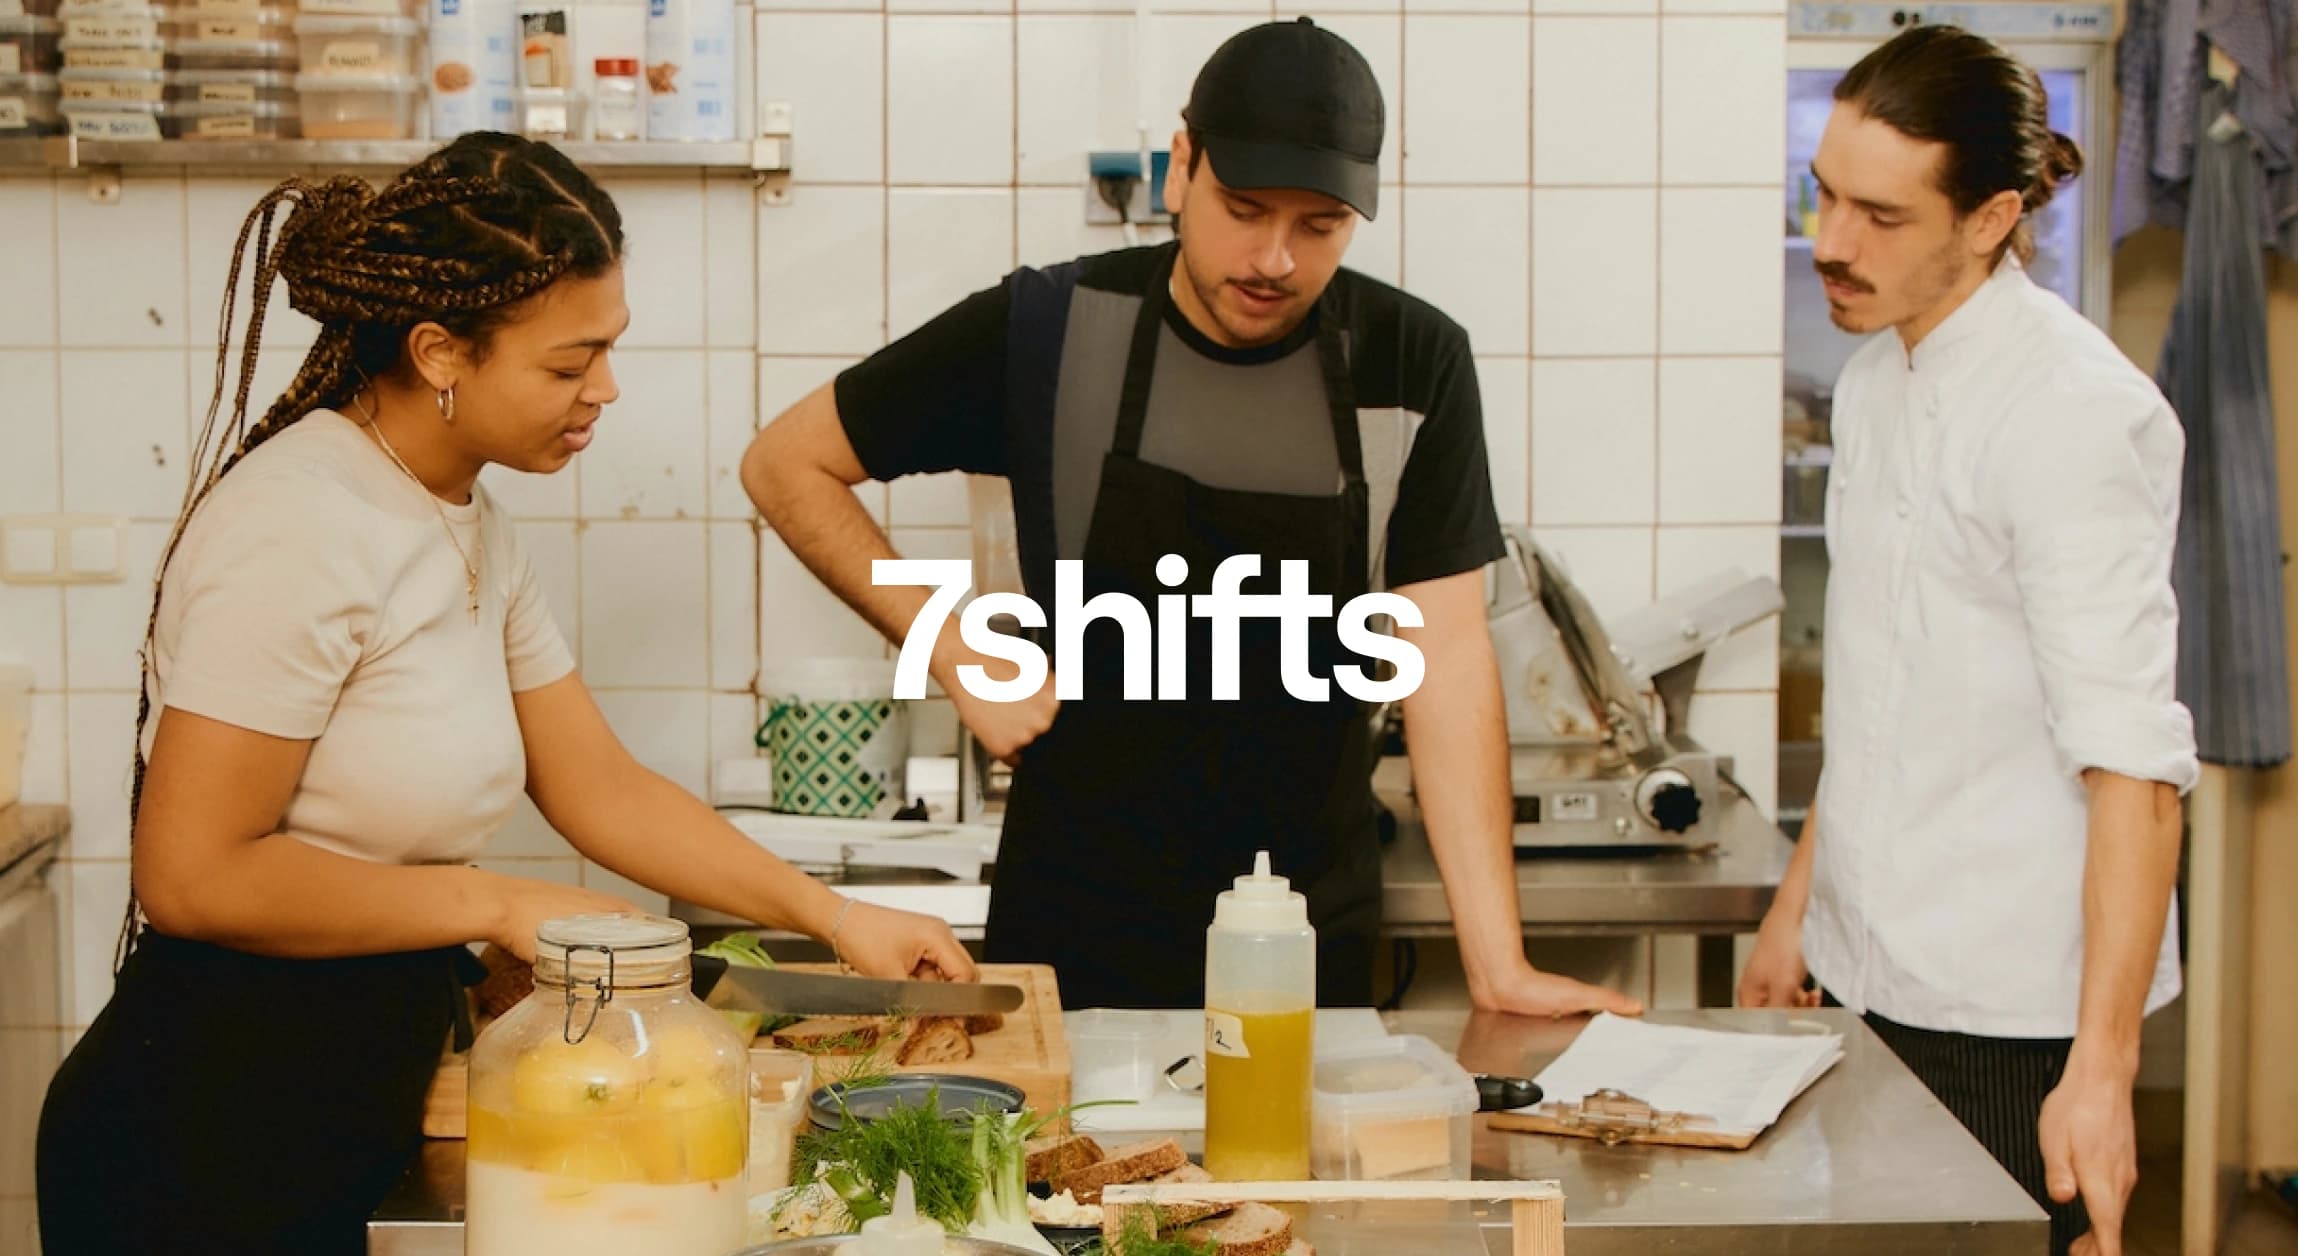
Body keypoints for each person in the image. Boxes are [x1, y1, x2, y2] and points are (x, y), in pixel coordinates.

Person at [36, 132, 974, 1256]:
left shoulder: (466, 517)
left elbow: (600, 784)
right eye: (570, 363)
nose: (605, 390)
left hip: (344, 1093)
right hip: (202, 1129)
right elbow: (191, 871)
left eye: (609, 353)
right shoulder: (299, 519)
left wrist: (835, 915)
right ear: (440, 351)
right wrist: (491, 901)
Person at [741, 17, 1641, 1018]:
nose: (1274, 258)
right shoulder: (1050, 332)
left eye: (1319, 226)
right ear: (1182, 168)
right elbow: (787, 463)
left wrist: (1498, 966)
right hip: (1078, 928)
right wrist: (955, 649)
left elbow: (1450, 657)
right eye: (1244, 207)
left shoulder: (1411, 363)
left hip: (1305, 934)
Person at [1737, 27, 2196, 1256]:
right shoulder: (1881, 376)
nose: (1832, 241)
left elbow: (2138, 775)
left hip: (2013, 1012)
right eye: (1824, 194)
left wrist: (2102, 1070)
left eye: (1879, 215)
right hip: (1867, 970)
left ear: (1992, 218)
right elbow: (1888, 680)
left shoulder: (2076, 417)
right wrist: (1798, 905)